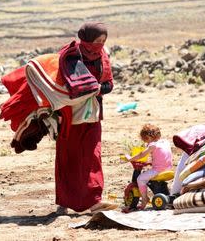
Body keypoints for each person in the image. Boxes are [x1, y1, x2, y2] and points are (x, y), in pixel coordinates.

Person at [55, 22, 116, 214]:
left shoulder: (102, 57)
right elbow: (60, 81)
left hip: (93, 114)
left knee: (92, 156)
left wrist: (98, 88)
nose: (100, 45)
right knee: (68, 157)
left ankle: (94, 201)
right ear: (87, 39)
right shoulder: (71, 55)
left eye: (103, 41)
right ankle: (64, 202)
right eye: (97, 41)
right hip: (69, 115)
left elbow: (109, 84)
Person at [127, 124, 173, 207]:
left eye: (146, 140)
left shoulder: (152, 145)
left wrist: (131, 158)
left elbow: (142, 154)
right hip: (169, 169)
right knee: (147, 174)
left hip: (159, 170)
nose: (146, 143)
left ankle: (144, 198)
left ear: (148, 137)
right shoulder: (165, 142)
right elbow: (161, 156)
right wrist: (150, 163)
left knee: (140, 179)